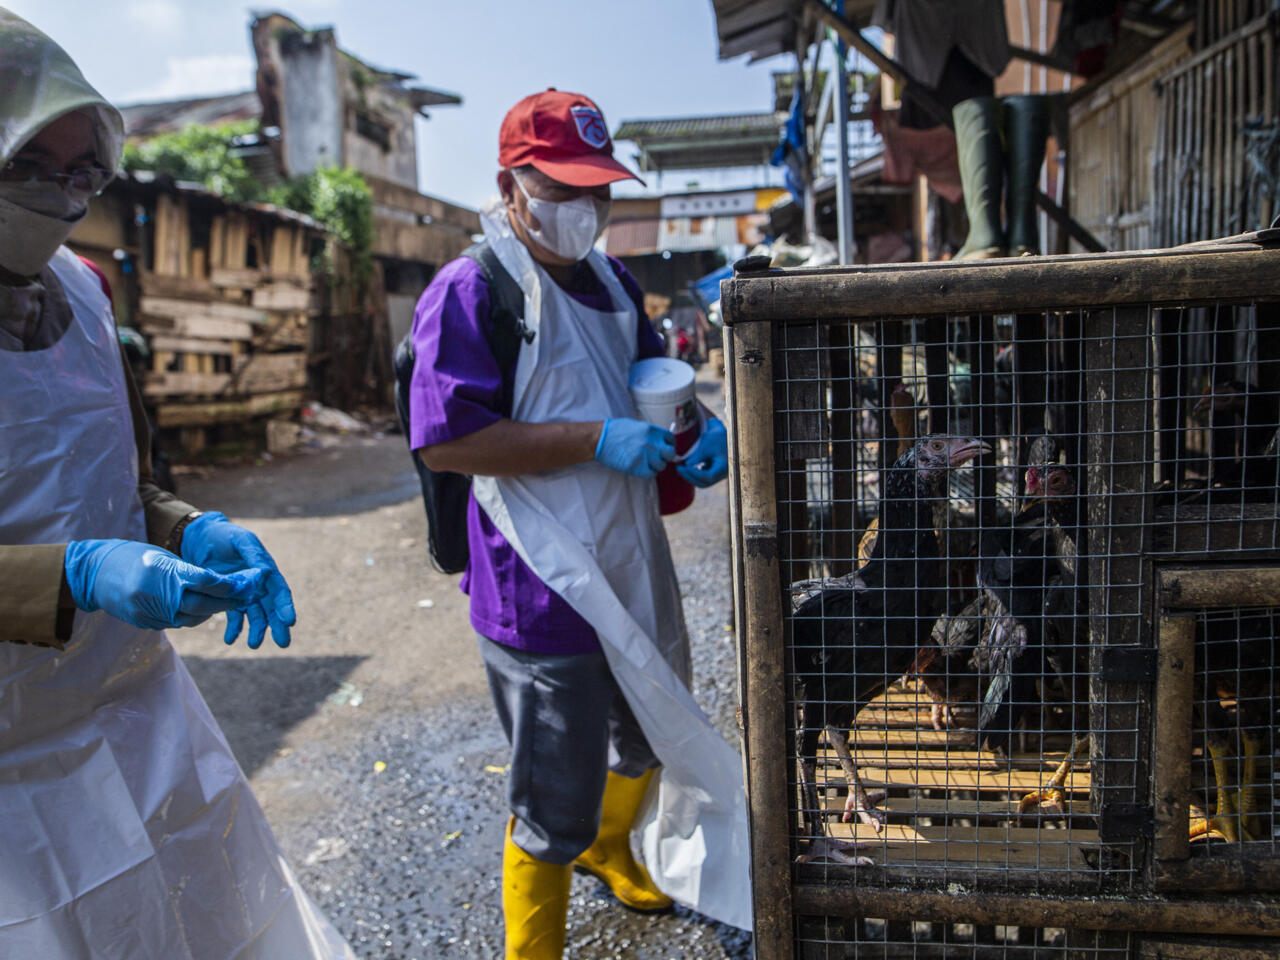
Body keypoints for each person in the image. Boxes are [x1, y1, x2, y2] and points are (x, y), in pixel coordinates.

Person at [0, 11, 353, 957]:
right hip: (10, 780)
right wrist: (68, 577)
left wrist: (187, 528)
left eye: (84, 174)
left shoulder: (83, 295)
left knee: (213, 923)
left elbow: (118, 482)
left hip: (137, 716)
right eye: (33, 166)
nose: (66, 201)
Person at [408, 89, 750, 957]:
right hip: (538, 574)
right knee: (552, 790)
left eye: (597, 191)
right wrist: (597, 438)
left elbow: (651, 374)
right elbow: (450, 443)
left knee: (649, 721)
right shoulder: (470, 291)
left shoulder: (610, 278)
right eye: (561, 190)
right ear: (510, 185)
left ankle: (607, 846)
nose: (584, 211)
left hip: (629, 549)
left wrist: (695, 429)